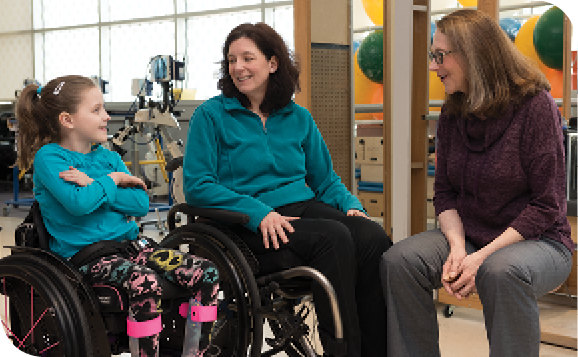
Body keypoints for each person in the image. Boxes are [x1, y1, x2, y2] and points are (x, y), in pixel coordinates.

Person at [182, 23, 391, 357]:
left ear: (273, 63)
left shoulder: (298, 117)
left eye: (248, 58)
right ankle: (344, 351)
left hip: (301, 207)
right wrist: (258, 212)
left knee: (371, 236)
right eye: (232, 59)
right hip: (242, 221)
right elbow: (197, 186)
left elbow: (324, 182)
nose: (238, 67)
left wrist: (351, 205)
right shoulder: (211, 116)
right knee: (332, 237)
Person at [380, 9, 574, 357]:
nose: (433, 66)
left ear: (473, 54)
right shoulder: (453, 113)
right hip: (470, 237)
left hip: (540, 241)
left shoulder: (536, 107)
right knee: (400, 261)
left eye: (440, 56)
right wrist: (457, 250)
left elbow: (547, 206)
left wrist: (481, 257)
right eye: (432, 55)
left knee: (501, 271)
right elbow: (445, 194)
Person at [15, 75, 220, 357]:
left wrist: (92, 183)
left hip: (131, 249)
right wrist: (113, 180)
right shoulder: (50, 158)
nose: (106, 116)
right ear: (67, 120)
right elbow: (79, 204)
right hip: (87, 257)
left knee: (206, 272)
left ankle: (195, 353)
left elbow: (139, 204)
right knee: (144, 282)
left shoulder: (108, 155)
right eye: (96, 109)